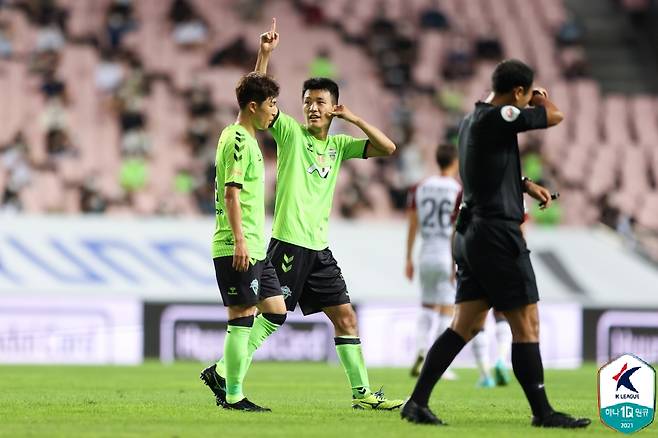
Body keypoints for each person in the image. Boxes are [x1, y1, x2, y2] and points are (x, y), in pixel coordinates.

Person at [401, 59, 591, 428]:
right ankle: (543, 412)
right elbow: (555, 117)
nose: (524, 105)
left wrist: (522, 183)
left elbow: (487, 166)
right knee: (527, 324)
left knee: (465, 325)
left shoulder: (472, 120)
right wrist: (542, 100)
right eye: (524, 96)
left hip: (471, 233)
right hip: (496, 235)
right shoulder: (501, 114)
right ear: (517, 92)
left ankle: (417, 402)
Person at [251, 18, 403, 410]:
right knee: (270, 318)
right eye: (307, 102)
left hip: (318, 250)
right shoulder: (290, 134)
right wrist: (265, 56)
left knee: (347, 318)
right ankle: (224, 370)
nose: (311, 108)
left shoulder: (339, 145)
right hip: (288, 243)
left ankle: (362, 394)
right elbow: (255, 101)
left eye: (319, 102)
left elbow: (388, 148)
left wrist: (353, 119)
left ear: (332, 107)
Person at [199, 71, 287, 412]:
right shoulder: (237, 139)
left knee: (275, 311)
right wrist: (239, 241)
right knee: (242, 315)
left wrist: (264, 56)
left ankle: (222, 371)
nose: (274, 112)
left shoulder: (246, 134)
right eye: (272, 105)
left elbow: (253, 86)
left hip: (255, 244)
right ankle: (233, 395)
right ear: (253, 107)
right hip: (238, 244)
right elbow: (231, 193)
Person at [405, 143, 460, 380]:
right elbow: (459, 226)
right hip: (447, 253)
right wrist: (457, 261)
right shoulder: (458, 190)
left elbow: (412, 224)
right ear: (455, 162)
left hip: (425, 252)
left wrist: (408, 258)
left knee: (427, 306)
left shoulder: (421, 187)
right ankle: (437, 364)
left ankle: (420, 351)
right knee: (447, 309)